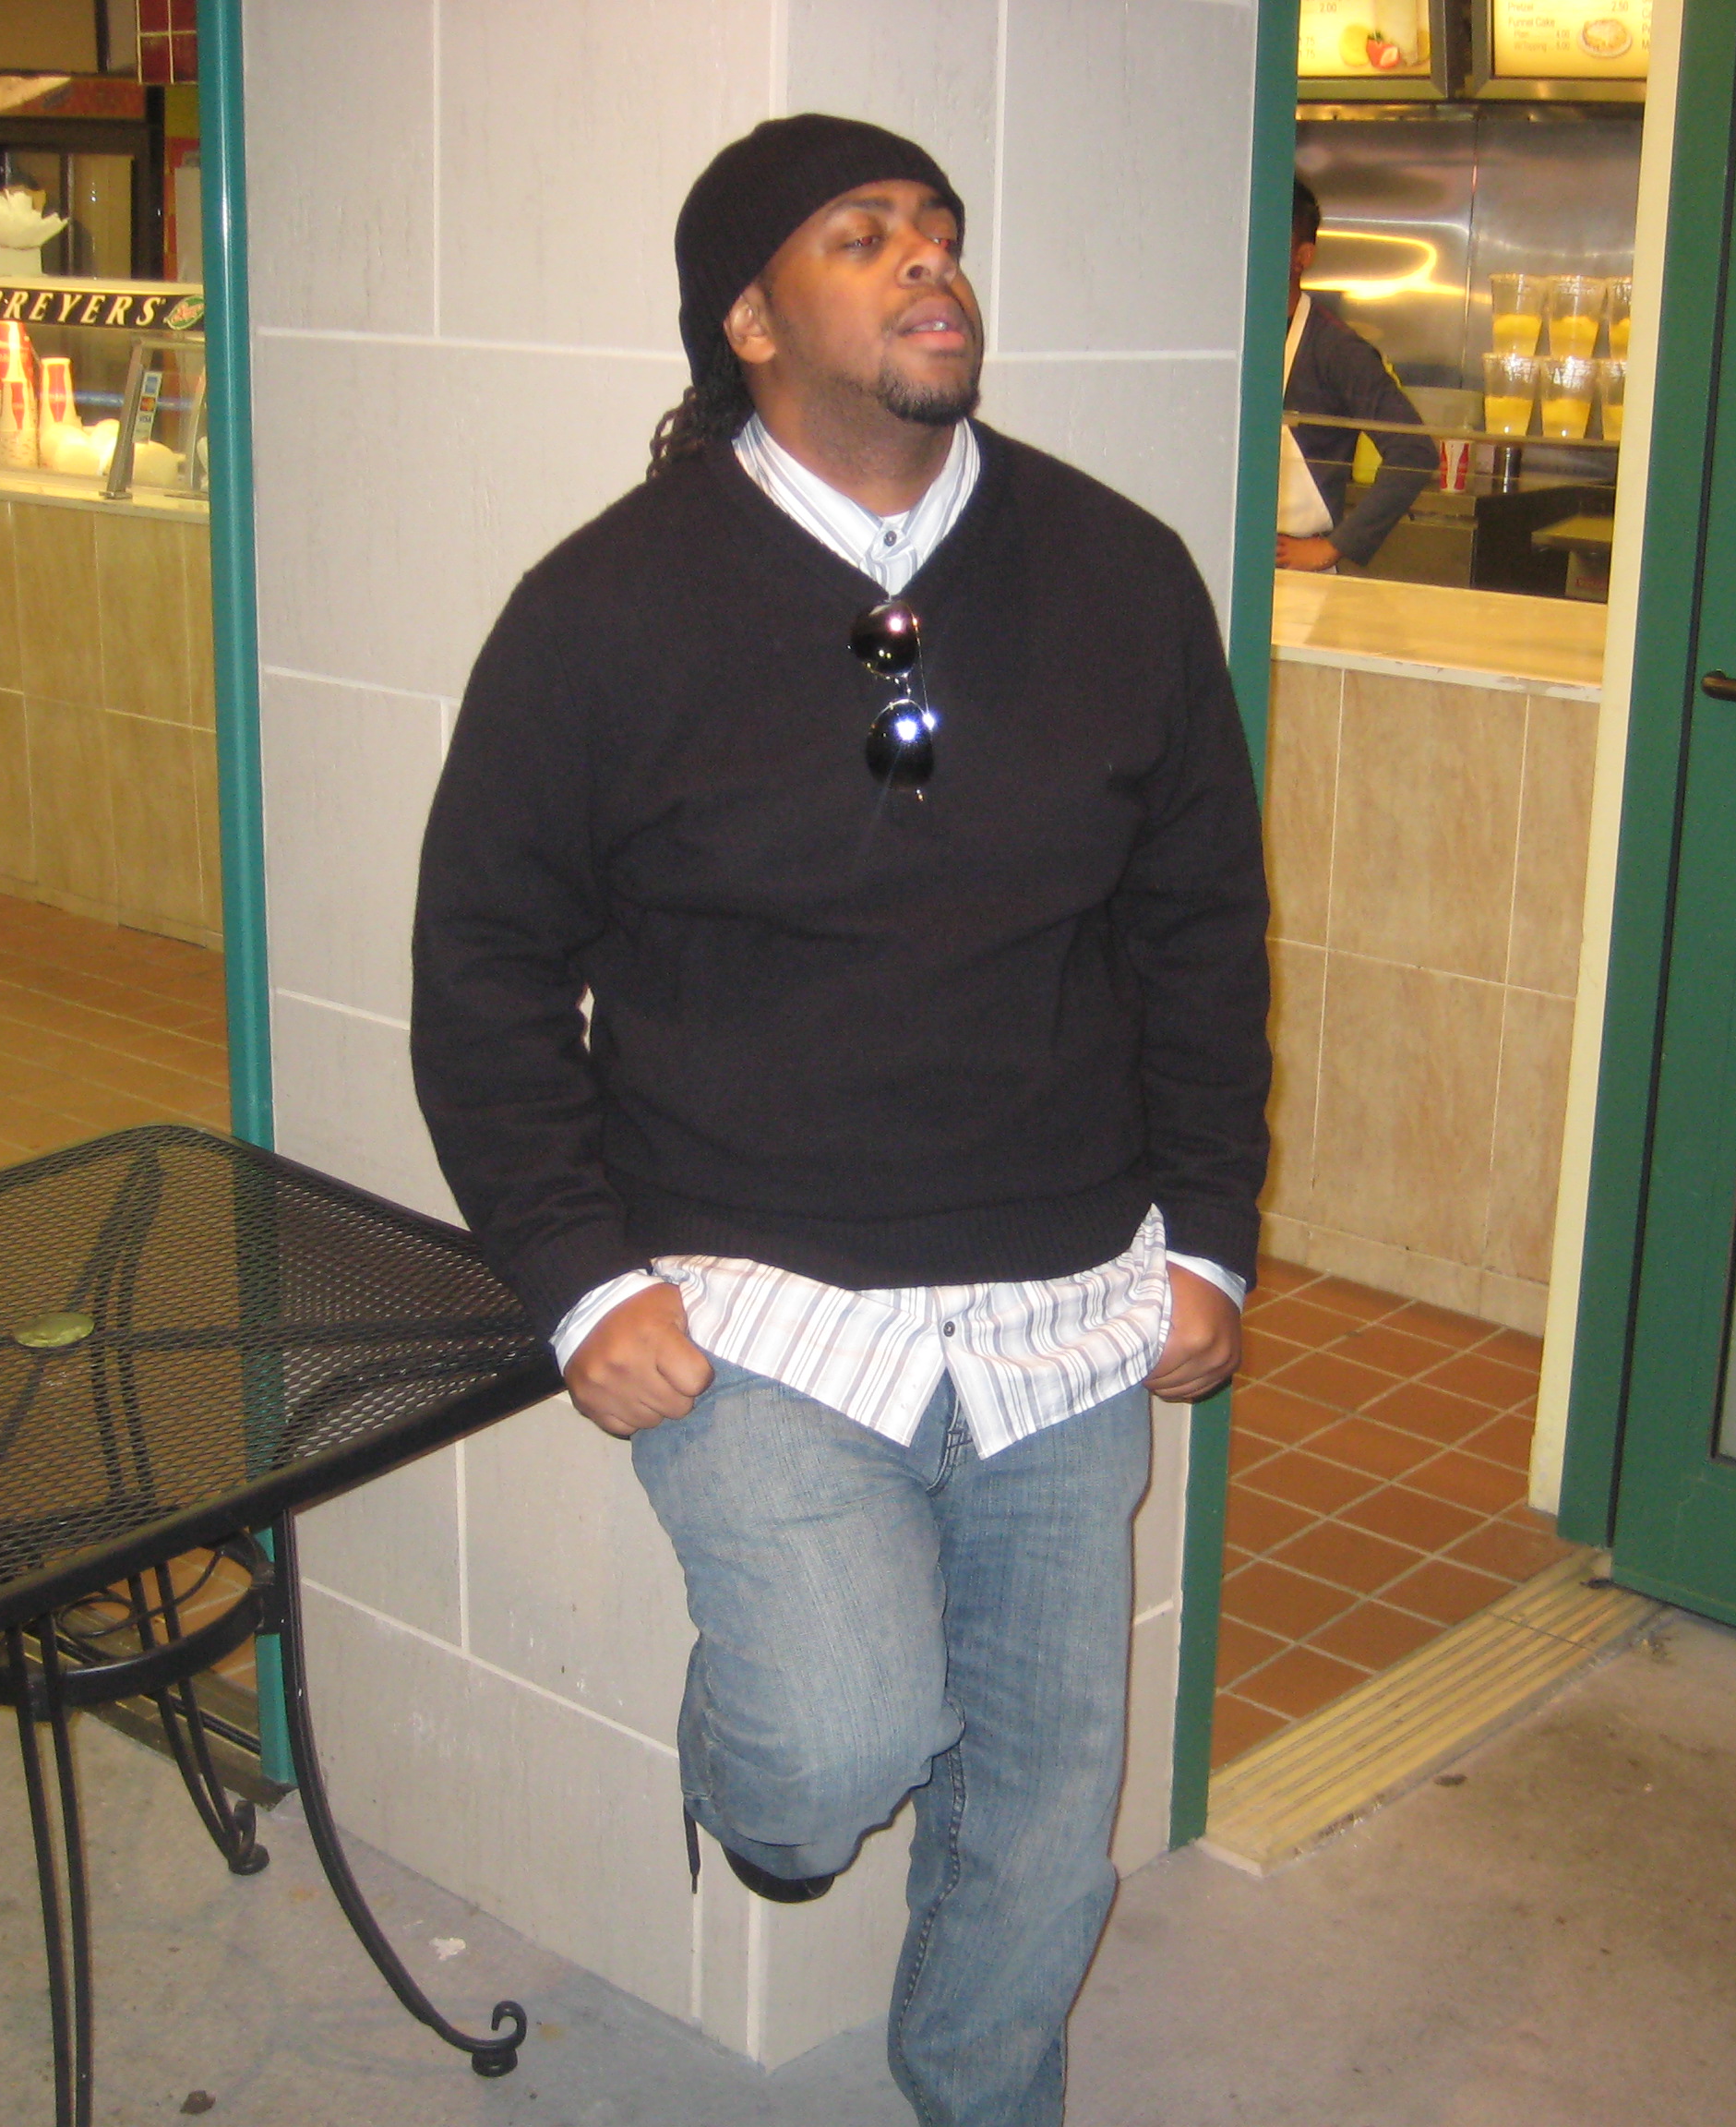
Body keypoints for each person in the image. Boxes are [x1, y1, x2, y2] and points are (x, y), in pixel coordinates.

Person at [412, 114, 1272, 2127]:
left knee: (1044, 1806)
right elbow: (485, 967)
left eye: (939, 231)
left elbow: (1199, 930)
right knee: (837, 1742)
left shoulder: (1118, 571)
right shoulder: (605, 608)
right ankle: (762, 1799)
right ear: (747, 320)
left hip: (1066, 1289)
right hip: (751, 1296)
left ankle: (983, 2101)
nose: (926, 262)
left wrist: (1212, 1233)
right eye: (862, 235)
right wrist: (576, 1280)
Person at [1277, 176, 1438, 573]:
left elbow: (1414, 452)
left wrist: (1332, 547)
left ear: (1303, 256)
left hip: (1296, 575)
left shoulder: (1336, 349)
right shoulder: (1227, 342)